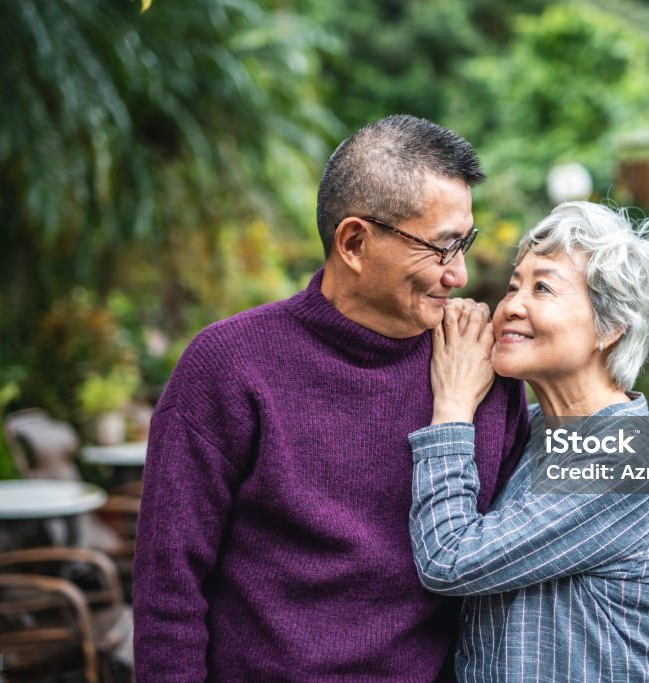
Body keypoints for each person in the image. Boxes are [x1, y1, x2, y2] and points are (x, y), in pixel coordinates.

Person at [133, 115, 530, 681]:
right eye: (441, 249)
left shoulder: (480, 372)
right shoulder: (228, 366)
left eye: (464, 243)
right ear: (354, 243)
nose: (460, 275)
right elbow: (169, 592)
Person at [408, 201, 649, 681]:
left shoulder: (624, 459)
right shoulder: (533, 428)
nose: (512, 305)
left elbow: (449, 558)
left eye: (542, 287)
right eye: (514, 285)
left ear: (610, 327)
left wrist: (452, 408)